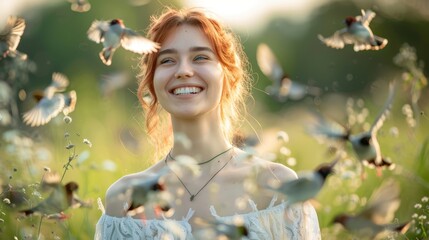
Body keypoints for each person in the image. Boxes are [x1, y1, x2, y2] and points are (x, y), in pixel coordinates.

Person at [95, 7, 321, 239]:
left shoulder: (276, 187)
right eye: (168, 60)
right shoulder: (124, 200)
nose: (183, 70)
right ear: (152, 82)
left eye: (200, 57)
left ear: (228, 75)